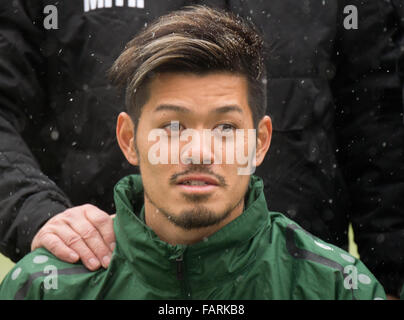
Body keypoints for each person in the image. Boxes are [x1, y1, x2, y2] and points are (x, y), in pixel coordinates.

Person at [0, 0, 402, 298]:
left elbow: (382, 121)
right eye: (173, 127)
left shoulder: (341, 287)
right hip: (99, 267)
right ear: (129, 138)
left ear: (261, 139)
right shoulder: (42, 288)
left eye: (225, 127)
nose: (199, 152)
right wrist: (35, 210)